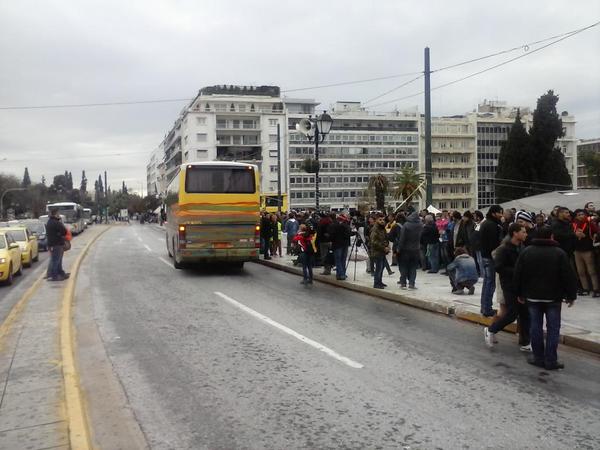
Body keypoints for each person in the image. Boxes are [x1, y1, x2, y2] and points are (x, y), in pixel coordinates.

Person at [514, 226, 578, 370]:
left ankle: (538, 358)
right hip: (553, 298)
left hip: (532, 297)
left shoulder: (526, 252)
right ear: (551, 237)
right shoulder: (559, 253)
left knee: (535, 327)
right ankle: (550, 360)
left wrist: (519, 293)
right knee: (553, 329)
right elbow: (568, 276)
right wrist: (571, 295)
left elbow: (518, 274)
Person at [484, 223, 530, 350]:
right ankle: (491, 330)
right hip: (509, 285)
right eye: (523, 232)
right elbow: (499, 267)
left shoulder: (522, 247)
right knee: (512, 313)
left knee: (525, 313)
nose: (526, 234)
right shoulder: (504, 249)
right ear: (515, 233)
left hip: (521, 285)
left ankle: (526, 342)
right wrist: (517, 270)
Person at [478, 205, 504, 317]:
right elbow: (494, 243)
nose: (501, 215)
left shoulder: (486, 223)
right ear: (494, 213)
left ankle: (484, 307)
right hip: (490, 257)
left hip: (485, 256)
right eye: (500, 213)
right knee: (490, 283)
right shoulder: (492, 225)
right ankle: (487, 308)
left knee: (487, 282)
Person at [572, 209, 599, 297]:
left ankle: (596, 289)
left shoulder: (589, 223)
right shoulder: (573, 224)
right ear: (576, 216)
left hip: (588, 249)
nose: (581, 216)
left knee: (591, 270)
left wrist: (590, 235)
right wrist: (575, 235)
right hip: (577, 250)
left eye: (582, 214)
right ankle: (585, 288)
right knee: (580, 271)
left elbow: (597, 232)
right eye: (579, 214)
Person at [395, 210, 423, 289]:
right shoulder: (420, 225)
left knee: (404, 266)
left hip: (405, 249)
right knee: (413, 267)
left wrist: (398, 249)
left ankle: (403, 283)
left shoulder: (406, 225)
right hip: (416, 249)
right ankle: (412, 283)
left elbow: (402, 238)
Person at [46, 208, 69, 281]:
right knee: (56, 261)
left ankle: (60, 273)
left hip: (52, 244)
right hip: (57, 244)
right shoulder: (56, 222)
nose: (59, 215)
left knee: (57, 260)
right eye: (58, 214)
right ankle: (55, 276)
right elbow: (64, 231)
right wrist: (59, 233)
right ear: (55, 214)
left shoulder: (49, 222)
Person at [370, 214, 390, 289]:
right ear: (376, 220)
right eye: (380, 220)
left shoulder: (382, 228)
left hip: (382, 251)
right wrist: (383, 247)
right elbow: (373, 242)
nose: (382, 221)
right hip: (377, 252)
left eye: (383, 220)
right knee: (378, 268)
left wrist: (387, 246)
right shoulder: (375, 229)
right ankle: (376, 283)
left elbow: (385, 238)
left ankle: (379, 281)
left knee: (381, 268)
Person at [330, 213, 352, 280]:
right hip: (345, 244)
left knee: (338, 260)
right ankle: (342, 274)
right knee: (343, 259)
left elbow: (332, 235)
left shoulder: (334, 225)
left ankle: (341, 274)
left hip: (337, 244)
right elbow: (349, 234)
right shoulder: (347, 226)